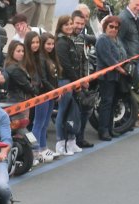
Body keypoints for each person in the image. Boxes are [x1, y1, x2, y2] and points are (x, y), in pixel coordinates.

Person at [95, 16, 128, 141]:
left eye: (116, 27)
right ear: (105, 26)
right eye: (111, 26)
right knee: (106, 104)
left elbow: (123, 55)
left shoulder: (117, 39)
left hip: (117, 77)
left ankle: (110, 128)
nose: (114, 29)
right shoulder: (103, 39)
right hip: (106, 77)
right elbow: (108, 59)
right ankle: (103, 131)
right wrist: (122, 69)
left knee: (113, 103)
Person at [54, 15, 84, 154]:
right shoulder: (60, 42)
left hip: (72, 81)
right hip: (65, 81)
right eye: (66, 24)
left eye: (71, 24)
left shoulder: (69, 40)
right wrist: (77, 81)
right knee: (63, 111)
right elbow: (66, 65)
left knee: (73, 112)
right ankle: (60, 143)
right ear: (60, 26)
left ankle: (71, 142)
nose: (70, 26)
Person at [33, 32, 60, 160]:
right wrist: (55, 91)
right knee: (38, 123)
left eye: (52, 44)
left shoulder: (51, 58)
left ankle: (43, 148)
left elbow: (54, 77)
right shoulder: (41, 59)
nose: (50, 46)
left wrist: (55, 92)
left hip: (51, 94)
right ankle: (34, 151)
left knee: (44, 123)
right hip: (43, 95)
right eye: (48, 44)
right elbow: (43, 79)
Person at [71, 11, 95, 148]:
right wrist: (76, 81)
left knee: (85, 109)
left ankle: (80, 138)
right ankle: (68, 141)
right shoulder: (66, 38)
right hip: (70, 82)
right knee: (71, 113)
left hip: (81, 80)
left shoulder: (83, 38)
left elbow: (85, 60)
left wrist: (86, 79)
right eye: (77, 23)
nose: (79, 26)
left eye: (82, 23)